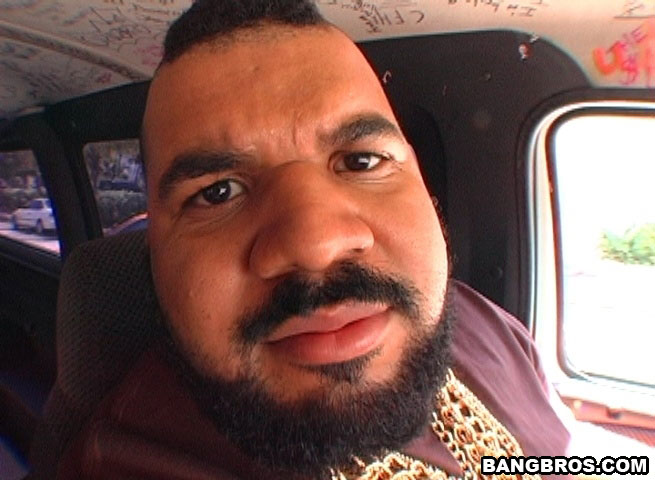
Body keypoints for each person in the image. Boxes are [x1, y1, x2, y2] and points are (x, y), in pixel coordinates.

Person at [55, 1, 573, 479]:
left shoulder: (495, 330)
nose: (316, 245)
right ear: (153, 257)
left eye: (362, 161)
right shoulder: (121, 462)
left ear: (423, 184)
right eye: (217, 192)